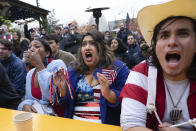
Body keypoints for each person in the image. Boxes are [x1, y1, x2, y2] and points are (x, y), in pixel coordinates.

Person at [120, 0, 196, 131]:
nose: (172, 42)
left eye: (182, 33)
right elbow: (131, 126)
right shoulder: (141, 73)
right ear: (155, 46)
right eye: (164, 35)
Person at [53, 31, 130, 125]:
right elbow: (64, 105)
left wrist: (108, 94)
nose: (87, 47)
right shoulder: (73, 70)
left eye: (92, 43)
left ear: (102, 47)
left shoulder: (118, 68)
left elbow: (128, 101)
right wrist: (63, 91)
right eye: (84, 44)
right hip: (74, 125)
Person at [18, 39, 67, 117]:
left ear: (47, 53)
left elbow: (53, 97)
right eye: (29, 47)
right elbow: (29, 99)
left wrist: (39, 66)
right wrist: (25, 105)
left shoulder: (57, 64)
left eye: (36, 46)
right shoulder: (30, 73)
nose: (31, 49)